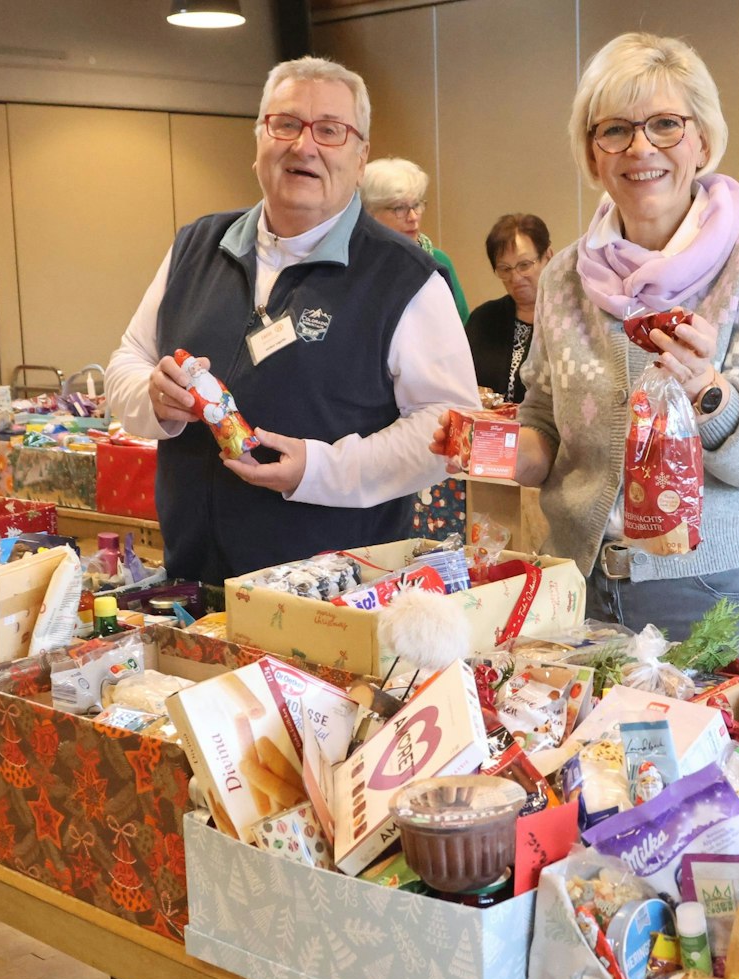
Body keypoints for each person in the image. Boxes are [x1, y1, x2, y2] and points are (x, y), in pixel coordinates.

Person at [434, 33, 739, 642]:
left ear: (704, 140)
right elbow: (546, 433)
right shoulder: (564, 276)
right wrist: (477, 447)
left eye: (665, 124)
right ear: (592, 151)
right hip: (577, 586)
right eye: (615, 130)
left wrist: (705, 391)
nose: (640, 148)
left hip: (713, 591)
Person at [105, 56, 478, 586]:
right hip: (193, 584)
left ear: (360, 154)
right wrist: (153, 397)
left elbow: (450, 430)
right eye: (286, 124)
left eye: (330, 130)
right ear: (259, 137)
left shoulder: (407, 277)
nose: (304, 146)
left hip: (335, 601)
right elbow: (129, 359)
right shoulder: (196, 246)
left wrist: (318, 471)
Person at [361, 157, 470, 323]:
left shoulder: (438, 261)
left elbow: (462, 327)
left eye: (416, 205)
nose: (413, 217)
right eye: (399, 208)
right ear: (369, 213)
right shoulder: (355, 264)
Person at [464, 213, 550, 404]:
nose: (516, 278)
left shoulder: (566, 318)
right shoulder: (484, 319)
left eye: (524, 265)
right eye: (505, 269)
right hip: (489, 430)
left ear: (548, 257)